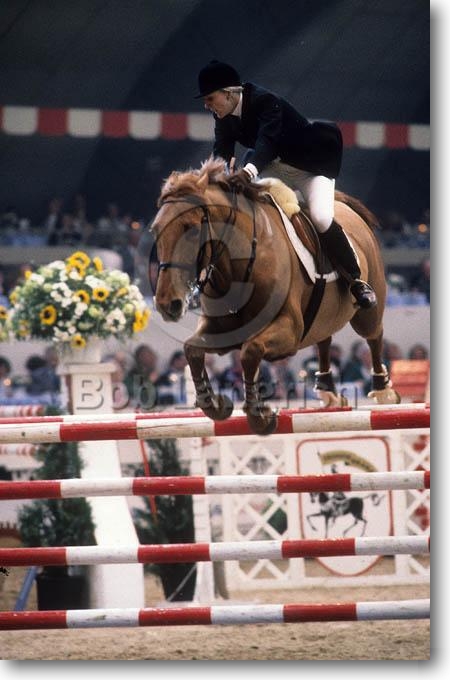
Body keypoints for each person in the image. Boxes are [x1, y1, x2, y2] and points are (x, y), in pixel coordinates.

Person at [195, 59, 377, 309]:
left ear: (228, 93)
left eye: (209, 98)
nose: (206, 105)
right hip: (273, 169)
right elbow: (222, 151)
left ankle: (356, 280)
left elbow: (267, 142)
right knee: (247, 211)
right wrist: (217, 178)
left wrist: (247, 173)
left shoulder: (265, 100)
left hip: (310, 169)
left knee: (321, 218)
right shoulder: (223, 116)